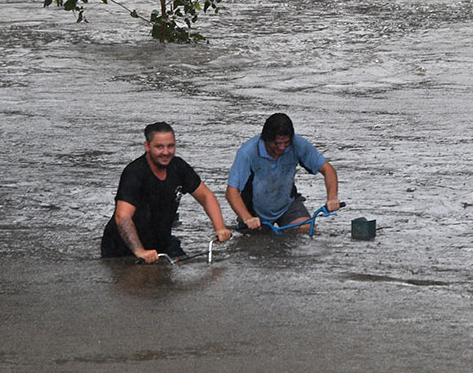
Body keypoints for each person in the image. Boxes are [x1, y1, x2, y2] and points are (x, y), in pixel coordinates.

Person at [101, 122, 232, 262]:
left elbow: (205, 196)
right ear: (147, 146)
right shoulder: (134, 173)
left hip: (161, 241)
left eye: (170, 146)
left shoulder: (179, 167)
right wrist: (139, 251)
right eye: (159, 147)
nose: (166, 152)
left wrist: (220, 227)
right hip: (122, 248)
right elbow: (123, 217)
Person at [226, 112, 340, 233]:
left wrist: (332, 198)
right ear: (266, 139)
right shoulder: (247, 153)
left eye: (286, 143)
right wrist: (247, 217)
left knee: (305, 230)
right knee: (256, 246)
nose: (282, 148)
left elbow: (328, 170)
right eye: (277, 143)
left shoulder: (297, 144)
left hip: (287, 204)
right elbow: (231, 191)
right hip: (254, 212)